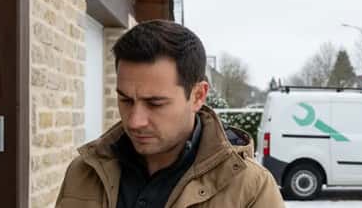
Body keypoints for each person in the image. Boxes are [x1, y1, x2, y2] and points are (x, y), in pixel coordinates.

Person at [55, 20, 285, 208]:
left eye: (155, 103)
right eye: (125, 100)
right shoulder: (83, 173)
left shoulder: (251, 189)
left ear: (197, 96)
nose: (135, 121)